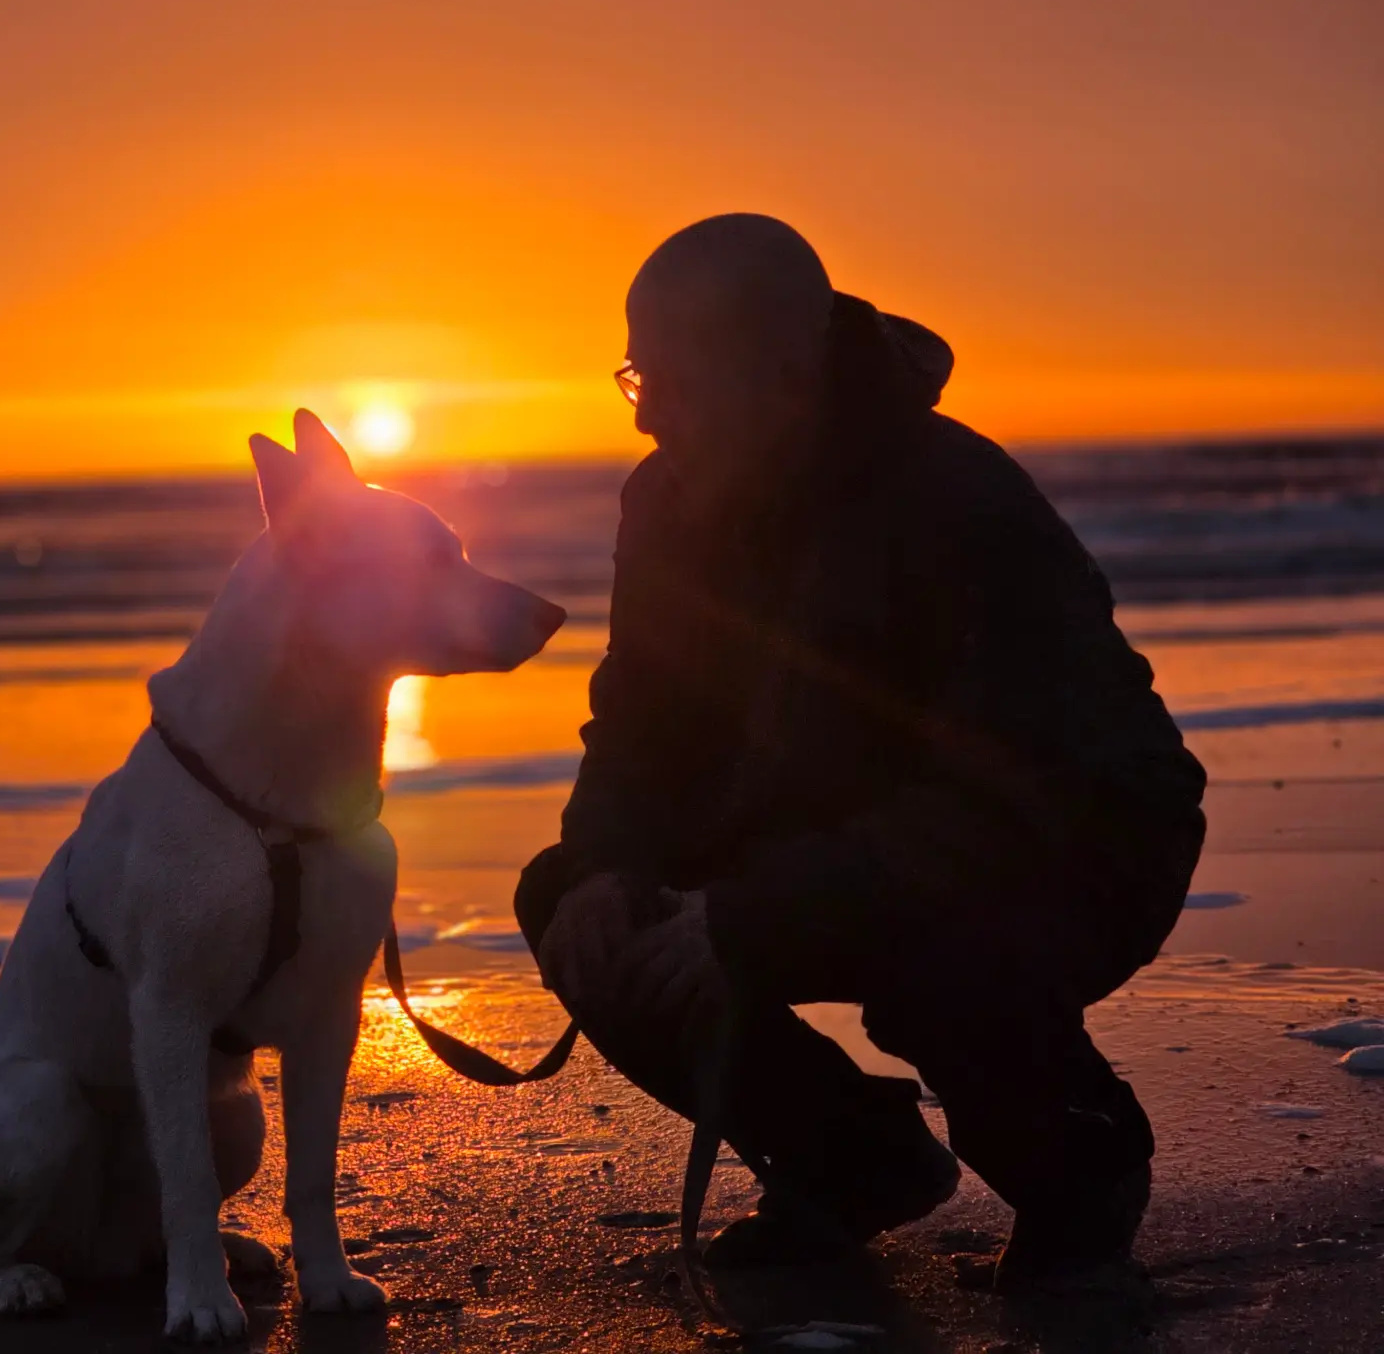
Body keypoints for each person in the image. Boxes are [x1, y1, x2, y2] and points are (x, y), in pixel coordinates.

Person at [514, 214, 1205, 1293]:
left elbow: (1008, 795)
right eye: (633, 378)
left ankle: (1083, 1166)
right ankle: (853, 1161)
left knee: (933, 959)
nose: (647, 418)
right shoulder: (665, 498)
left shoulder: (955, 500)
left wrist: (747, 914)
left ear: (779, 372)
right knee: (572, 902)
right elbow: (641, 718)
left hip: (1081, 836)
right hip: (830, 810)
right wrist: (606, 863)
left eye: (673, 382)